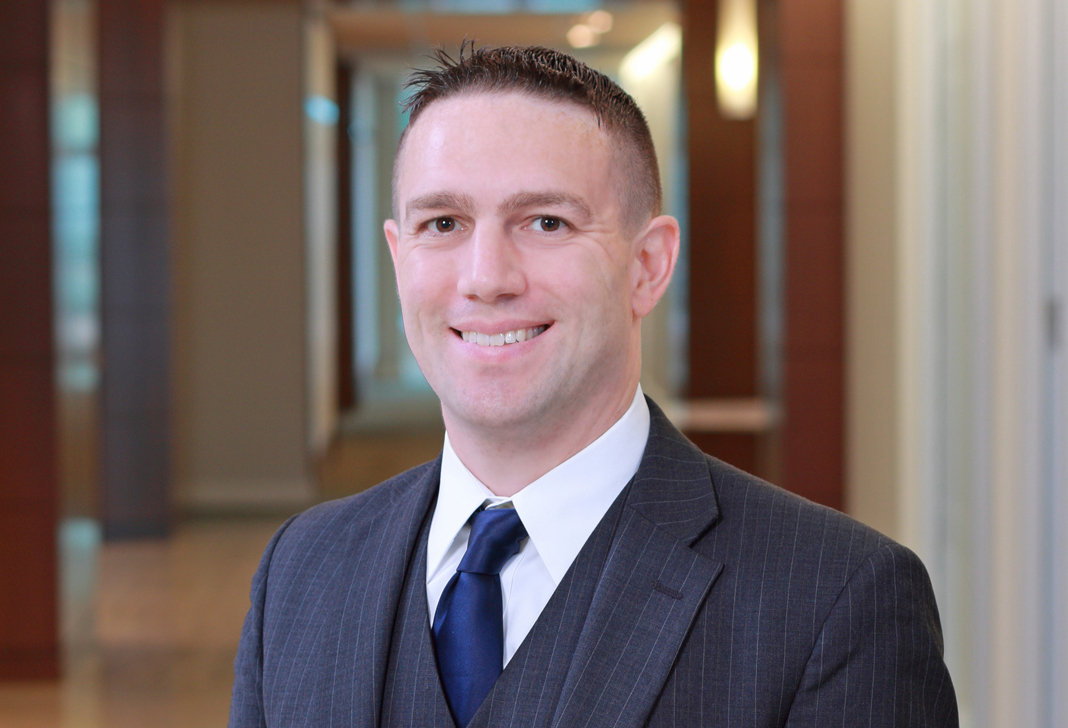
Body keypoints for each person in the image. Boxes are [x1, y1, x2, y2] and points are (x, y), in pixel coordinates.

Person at [229, 45, 958, 727]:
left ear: (648, 266)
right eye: (443, 222)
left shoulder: (836, 601)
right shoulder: (301, 568)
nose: (485, 278)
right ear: (398, 257)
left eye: (546, 222)